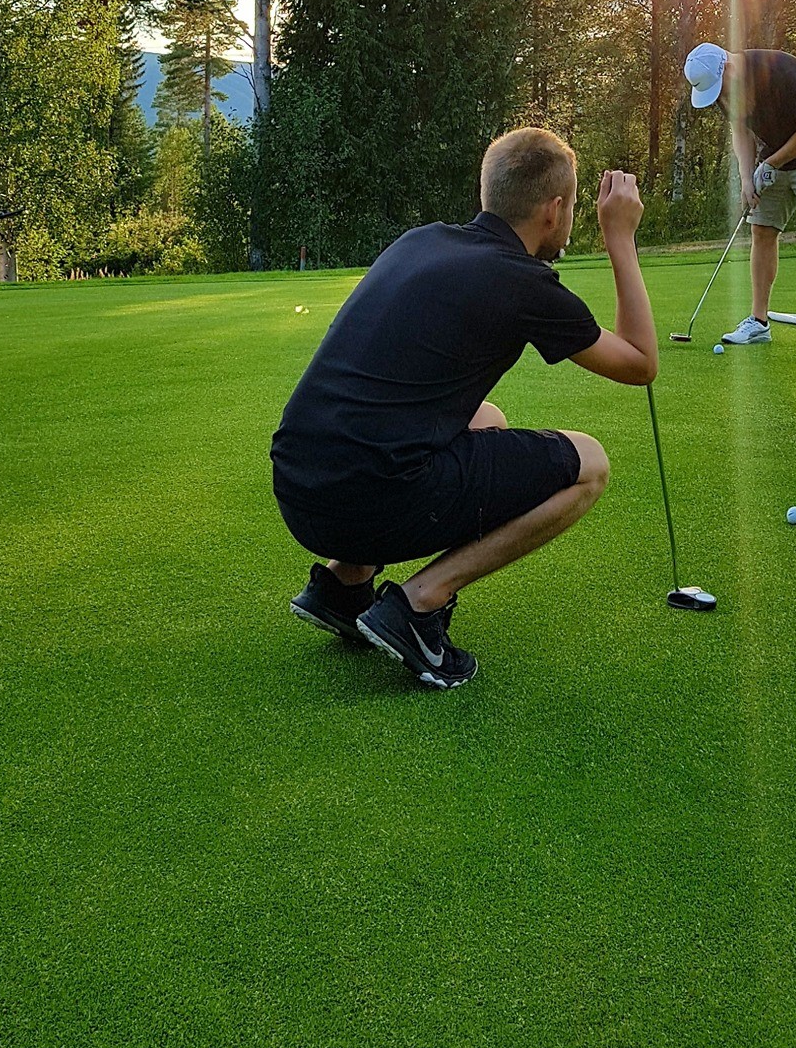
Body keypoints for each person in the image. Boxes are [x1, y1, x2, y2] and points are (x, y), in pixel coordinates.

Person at [270, 127, 657, 689]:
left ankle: (343, 585)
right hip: (366, 499)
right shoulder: (521, 280)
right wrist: (621, 238)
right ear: (555, 211)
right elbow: (641, 363)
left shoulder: (420, 240)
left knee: (488, 418)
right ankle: (418, 605)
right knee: (589, 464)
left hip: (300, 489)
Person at [683, 42, 796, 358]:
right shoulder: (724, 90)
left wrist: (771, 163)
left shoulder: (780, 73)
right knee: (761, 230)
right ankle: (759, 322)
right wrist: (747, 177)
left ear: (729, 68)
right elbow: (741, 131)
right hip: (775, 151)